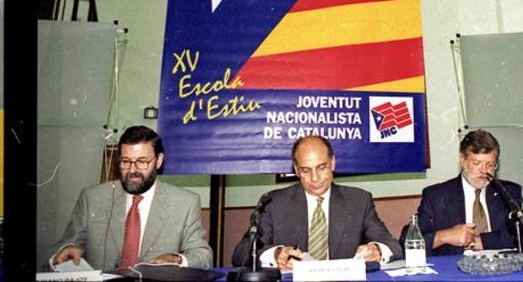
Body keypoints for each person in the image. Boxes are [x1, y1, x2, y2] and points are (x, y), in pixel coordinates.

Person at [50, 126, 213, 270]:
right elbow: (66, 246)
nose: (132, 170)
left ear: (158, 161)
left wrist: (178, 260)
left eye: (142, 162)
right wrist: (66, 250)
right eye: (125, 162)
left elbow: (203, 256)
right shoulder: (92, 198)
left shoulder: (184, 203)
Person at [231, 135, 403, 270]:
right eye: (306, 170)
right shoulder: (274, 203)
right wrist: (275, 255)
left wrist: (377, 250)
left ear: (332, 163)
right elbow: (241, 253)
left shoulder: (358, 201)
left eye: (321, 168)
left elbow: (393, 246)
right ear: (296, 170)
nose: (315, 178)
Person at [411, 129, 523, 255]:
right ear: (462, 161)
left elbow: (522, 237)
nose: (484, 171)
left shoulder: (508, 192)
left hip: (500, 264)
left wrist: (476, 241)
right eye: (477, 163)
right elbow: (410, 239)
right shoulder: (437, 196)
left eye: (490, 165)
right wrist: (443, 236)